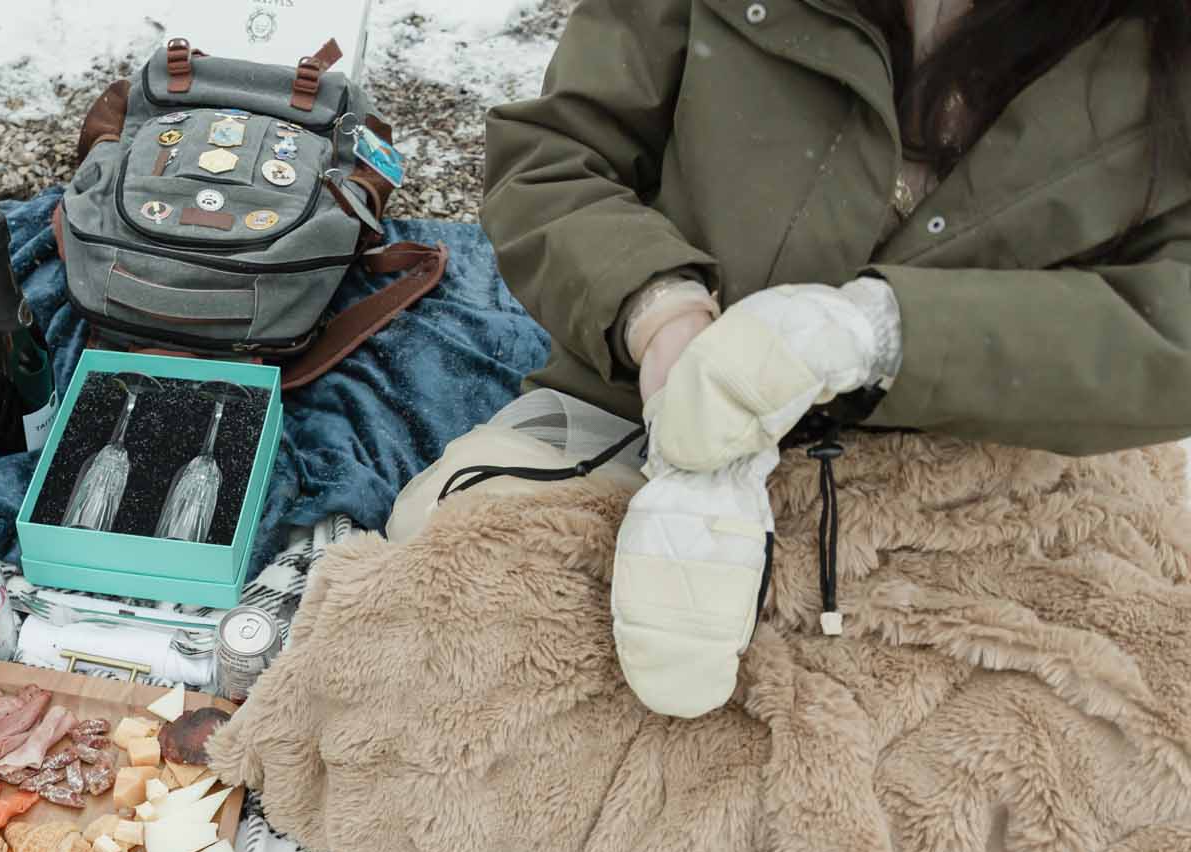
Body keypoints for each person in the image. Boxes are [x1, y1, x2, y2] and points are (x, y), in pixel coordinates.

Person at [392, 0, 1191, 717]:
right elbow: (553, 157)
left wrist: (882, 332)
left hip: (976, 483)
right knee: (436, 615)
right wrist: (656, 308)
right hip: (636, 411)